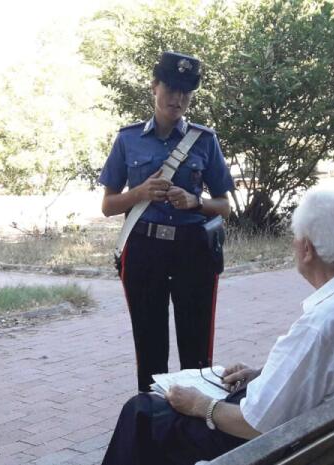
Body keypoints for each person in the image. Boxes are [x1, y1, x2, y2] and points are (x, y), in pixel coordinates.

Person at [101, 189, 334, 465]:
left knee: (142, 413)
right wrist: (263, 374)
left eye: (295, 238)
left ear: (307, 249)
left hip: (281, 449)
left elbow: (254, 424)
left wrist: (199, 404)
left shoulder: (324, 323)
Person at [98, 51, 234, 392]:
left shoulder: (205, 140)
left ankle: (198, 421)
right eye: (172, 89)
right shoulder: (128, 139)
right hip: (144, 250)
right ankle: (151, 419)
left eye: (186, 92)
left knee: (197, 352)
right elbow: (108, 206)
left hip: (193, 251)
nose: (178, 99)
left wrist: (195, 202)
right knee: (150, 349)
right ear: (154, 87)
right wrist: (139, 192)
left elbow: (224, 206)